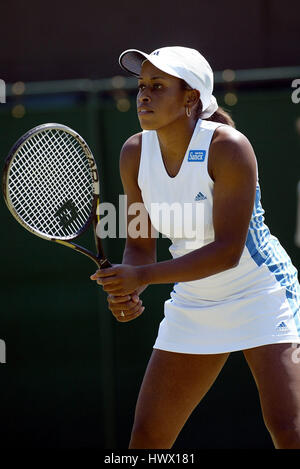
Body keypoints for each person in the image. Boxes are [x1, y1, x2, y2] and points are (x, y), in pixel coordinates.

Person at [90, 46, 300, 449]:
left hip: (263, 294)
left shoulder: (229, 147)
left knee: (288, 427)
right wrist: (132, 287)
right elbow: (139, 243)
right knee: (148, 438)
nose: (144, 96)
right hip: (194, 301)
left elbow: (227, 252)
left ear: (191, 99)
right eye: (141, 86)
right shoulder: (134, 153)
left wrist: (143, 276)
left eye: (158, 86)